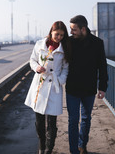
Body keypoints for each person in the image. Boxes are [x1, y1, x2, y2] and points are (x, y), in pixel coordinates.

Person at [25, 21, 69, 154]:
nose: (59, 37)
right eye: (57, 34)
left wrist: (61, 80)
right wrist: (37, 67)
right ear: (51, 32)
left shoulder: (64, 48)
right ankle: (41, 145)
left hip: (54, 87)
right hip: (40, 85)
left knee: (52, 122)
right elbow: (32, 60)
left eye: (61, 35)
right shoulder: (40, 44)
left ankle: (49, 149)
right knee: (39, 121)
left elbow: (66, 68)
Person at [66, 15, 108, 154]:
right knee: (73, 121)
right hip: (72, 89)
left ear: (83, 29)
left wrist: (102, 87)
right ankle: (74, 151)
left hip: (89, 89)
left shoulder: (97, 43)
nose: (71, 32)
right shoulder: (68, 42)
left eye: (73, 29)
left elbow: (102, 66)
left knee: (86, 119)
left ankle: (82, 145)